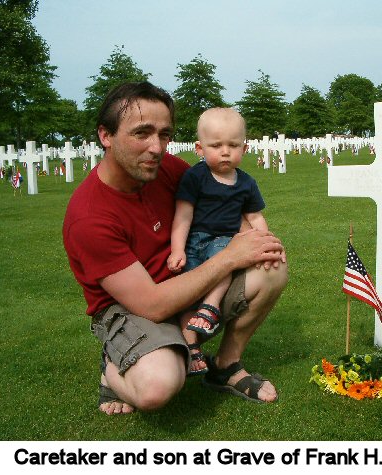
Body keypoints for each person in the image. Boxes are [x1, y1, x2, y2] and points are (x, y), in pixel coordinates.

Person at [62, 81, 287, 415]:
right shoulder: (89, 217)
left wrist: (257, 240)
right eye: (142, 133)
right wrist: (230, 255)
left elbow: (224, 207)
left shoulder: (168, 170)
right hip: (133, 308)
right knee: (157, 387)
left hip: (186, 279)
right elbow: (151, 304)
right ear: (105, 136)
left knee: (271, 268)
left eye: (164, 134)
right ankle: (113, 367)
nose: (157, 147)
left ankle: (226, 365)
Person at [167, 108, 269, 376]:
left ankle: (211, 307)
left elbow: (255, 217)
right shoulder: (195, 177)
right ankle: (192, 348)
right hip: (194, 242)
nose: (225, 151)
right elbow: (183, 215)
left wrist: (265, 242)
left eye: (233, 145)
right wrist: (177, 249)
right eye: (216, 145)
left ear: (244, 148)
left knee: (224, 263)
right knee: (185, 299)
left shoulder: (246, 183)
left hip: (224, 241)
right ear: (199, 148)